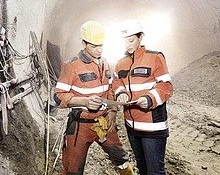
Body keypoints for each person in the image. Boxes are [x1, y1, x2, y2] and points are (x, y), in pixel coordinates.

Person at [54, 20, 134, 175]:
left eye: (101, 45)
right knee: (73, 169)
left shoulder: (105, 63)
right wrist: (84, 101)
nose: (99, 50)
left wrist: (112, 111)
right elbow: (58, 97)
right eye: (94, 46)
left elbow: (111, 89)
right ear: (84, 44)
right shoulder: (71, 65)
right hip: (80, 125)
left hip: (103, 123)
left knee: (121, 159)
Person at [112, 19, 173, 175]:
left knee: (155, 171)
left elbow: (166, 86)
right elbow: (116, 82)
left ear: (140, 37)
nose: (128, 45)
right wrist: (121, 92)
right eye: (125, 41)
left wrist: (149, 98)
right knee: (143, 169)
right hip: (132, 127)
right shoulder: (120, 63)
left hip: (152, 128)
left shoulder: (155, 57)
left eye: (131, 40)